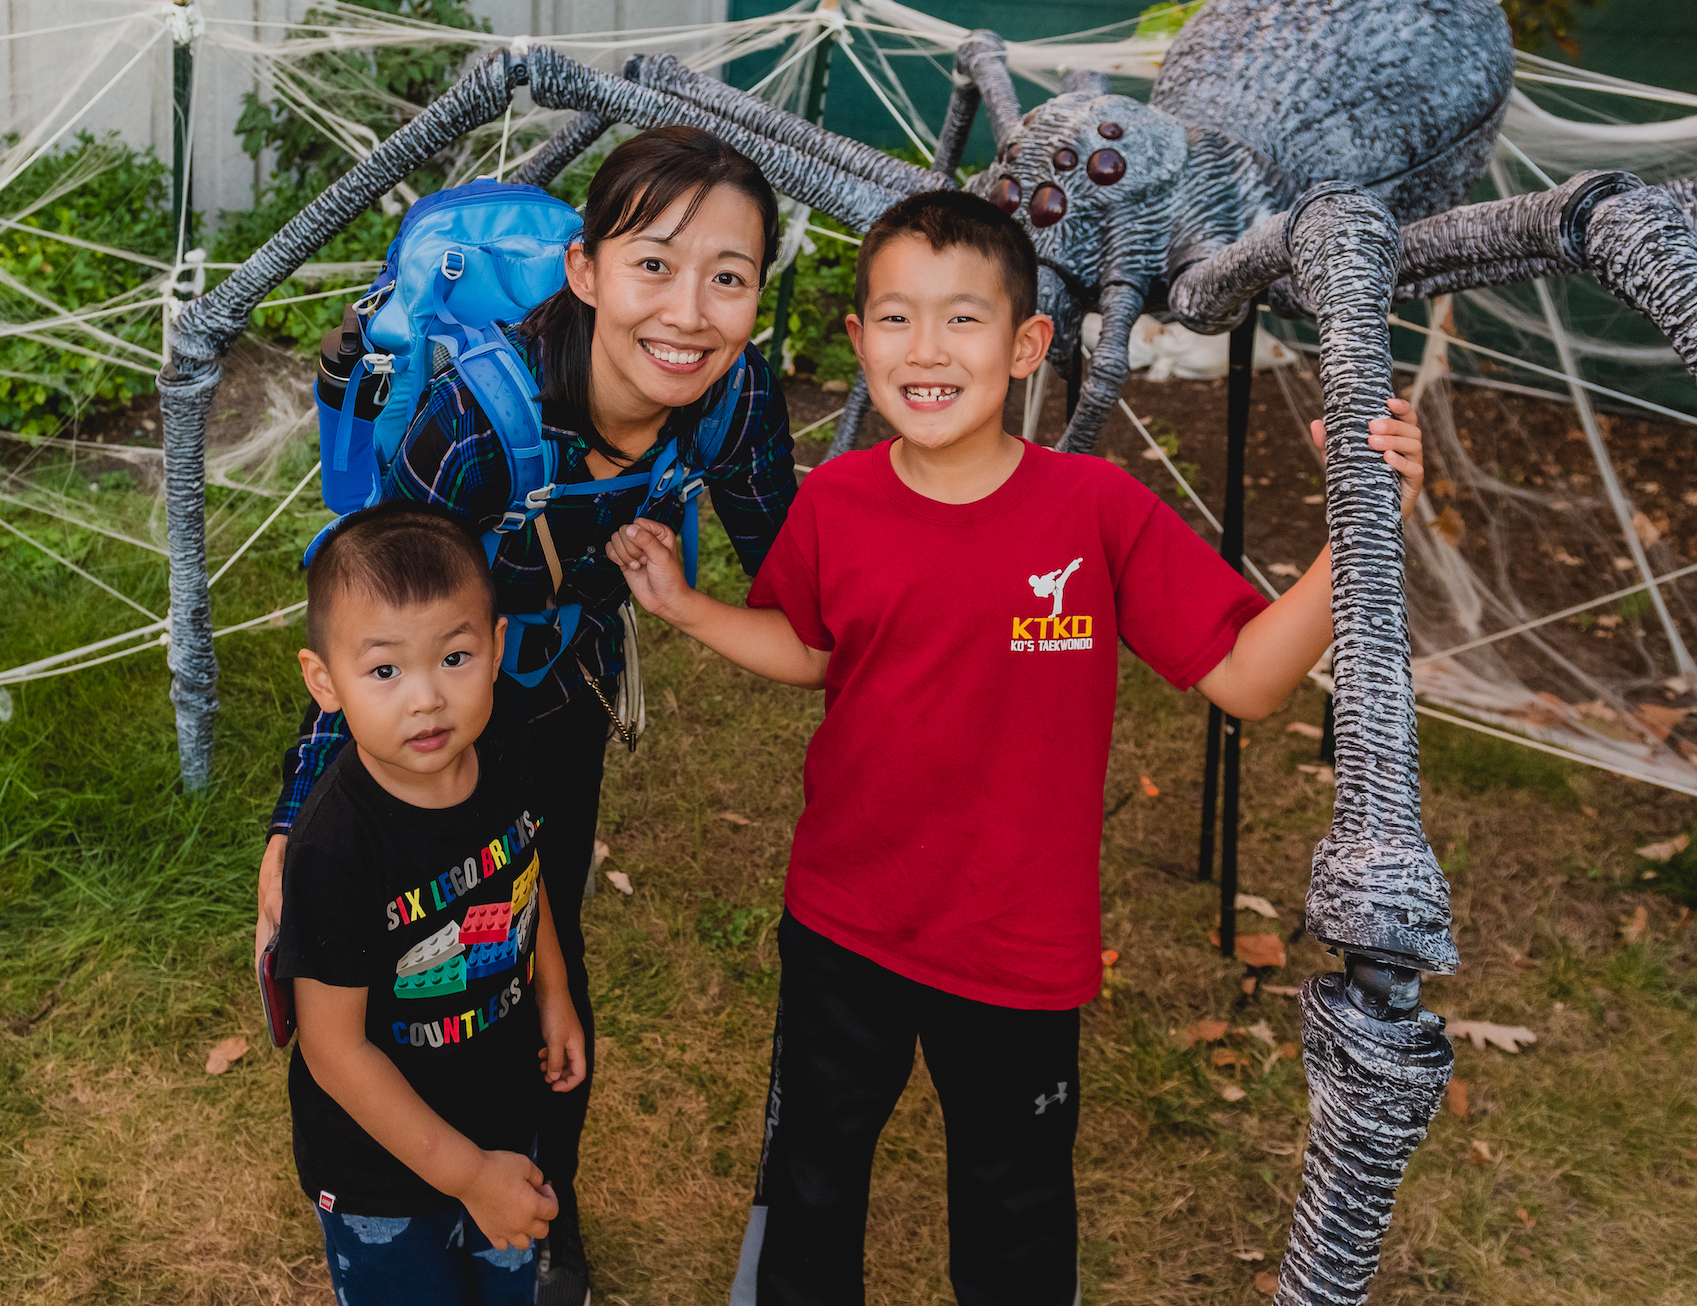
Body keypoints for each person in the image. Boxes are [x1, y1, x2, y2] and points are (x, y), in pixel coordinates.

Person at [605, 189, 1424, 1306]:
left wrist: (1356, 533)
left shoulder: (1097, 510)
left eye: (963, 319)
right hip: (844, 920)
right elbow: (811, 649)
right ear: (857, 343)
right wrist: (688, 607)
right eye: (895, 319)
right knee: (813, 1175)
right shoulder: (837, 500)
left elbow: (1248, 680)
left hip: (1015, 946)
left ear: (1029, 344)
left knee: (1015, 1201)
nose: (926, 349)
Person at [259, 126, 798, 1304]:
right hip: (432, 688)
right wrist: (296, 820)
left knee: (530, 938)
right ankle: (406, 1199)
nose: (691, 313)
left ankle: (539, 1222)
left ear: (760, 295)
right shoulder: (474, 414)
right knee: (397, 951)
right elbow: (380, 620)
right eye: (654, 264)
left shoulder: (737, 395)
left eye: (730, 277)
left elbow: (804, 575)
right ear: (587, 271)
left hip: (559, 691)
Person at [272, 503, 587, 1305]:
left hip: (502, 1118)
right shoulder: (333, 850)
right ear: (325, 683)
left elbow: (525, 872)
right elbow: (335, 1052)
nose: (426, 700)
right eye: (384, 671)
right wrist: (468, 1175)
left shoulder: (505, 752)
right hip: (383, 1176)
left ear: (496, 650)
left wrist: (553, 993)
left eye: (453, 657)